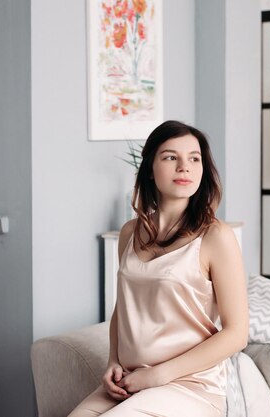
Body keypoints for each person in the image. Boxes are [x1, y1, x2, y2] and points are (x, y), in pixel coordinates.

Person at [69, 120, 249, 417]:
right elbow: (123, 310)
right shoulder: (129, 232)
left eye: (194, 158)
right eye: (170, 157)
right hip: (131, 380)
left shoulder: (216, 237)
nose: (184, 167)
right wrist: (113, 361)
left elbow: (236, 333)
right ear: (150, 170)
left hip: (189, 386)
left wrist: (158, 375)